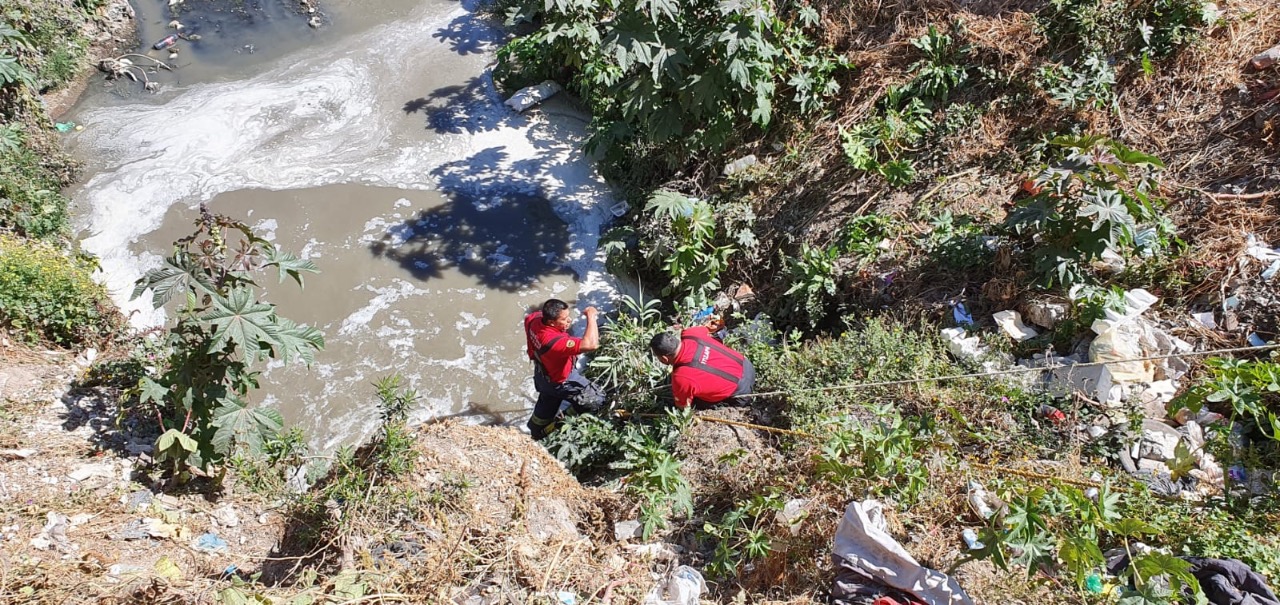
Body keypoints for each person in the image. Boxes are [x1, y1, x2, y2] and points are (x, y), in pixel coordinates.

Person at [523, 299, 605, 439]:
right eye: (564, 319)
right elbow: (591, 344)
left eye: (568, 316)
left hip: (543, 375)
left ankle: (535, 431)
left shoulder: (533, 319)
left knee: (547, 402)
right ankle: (562, 420)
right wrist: (591, 316)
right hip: (561, 380)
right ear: (551, 322)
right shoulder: (554, 342)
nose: (569, 320)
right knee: (597, 399)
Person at [649, 320, 755, 409]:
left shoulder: (681, 378)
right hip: (747, 366)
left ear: (664, 358)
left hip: (741, 394)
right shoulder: (691, 333)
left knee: (697, 402)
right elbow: (710, 327)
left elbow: (683, 407)